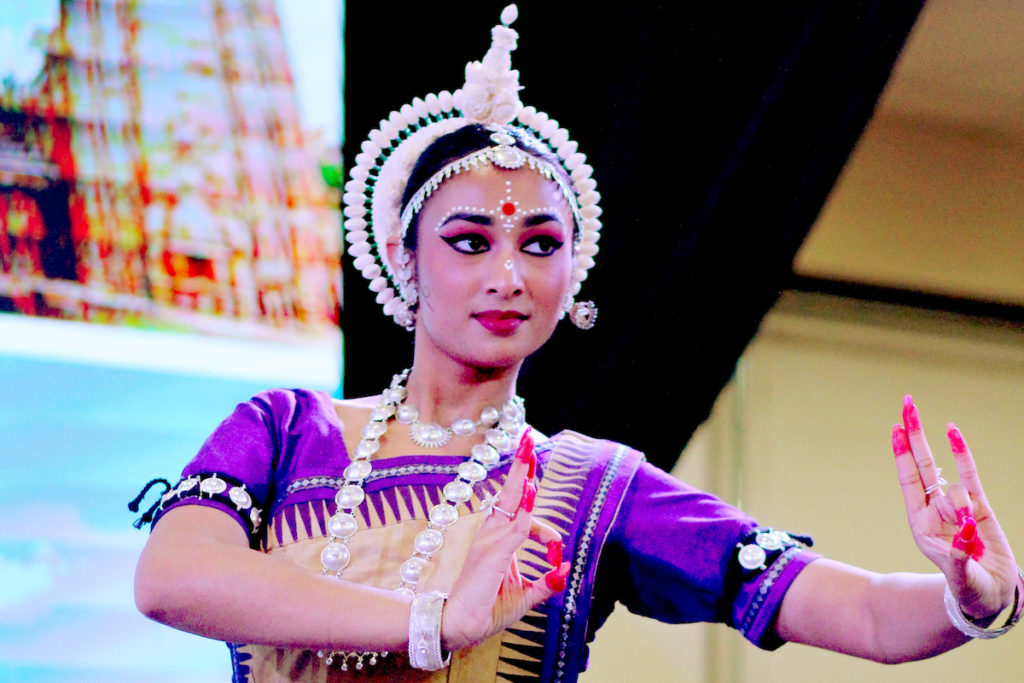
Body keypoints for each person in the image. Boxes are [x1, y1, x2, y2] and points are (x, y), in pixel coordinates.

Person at [133, 6, 1021, 681]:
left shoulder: (591, 488)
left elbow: (857, 610)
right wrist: (430, 618)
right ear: (404, 258)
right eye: (471, 241)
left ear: (573, 276)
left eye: (541, 245)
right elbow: (171, 577)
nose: (508, 274)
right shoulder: (287, 430)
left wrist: (969, 599)